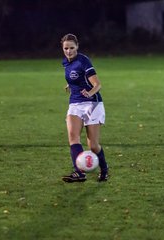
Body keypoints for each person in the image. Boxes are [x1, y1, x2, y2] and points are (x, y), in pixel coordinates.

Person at [60, 33, 109, 183]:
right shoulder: (66, 63)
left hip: (92, 104)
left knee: (93, 145)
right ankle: (79, 172)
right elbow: (77, 78)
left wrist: (89, 93)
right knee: (73, 137)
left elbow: (97, 85)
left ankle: (104, 169)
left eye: (72, 48)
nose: (69, 51)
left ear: (77, 47)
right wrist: (71, 85)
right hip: (75, 103)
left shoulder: (83, 61)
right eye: (66, 48)